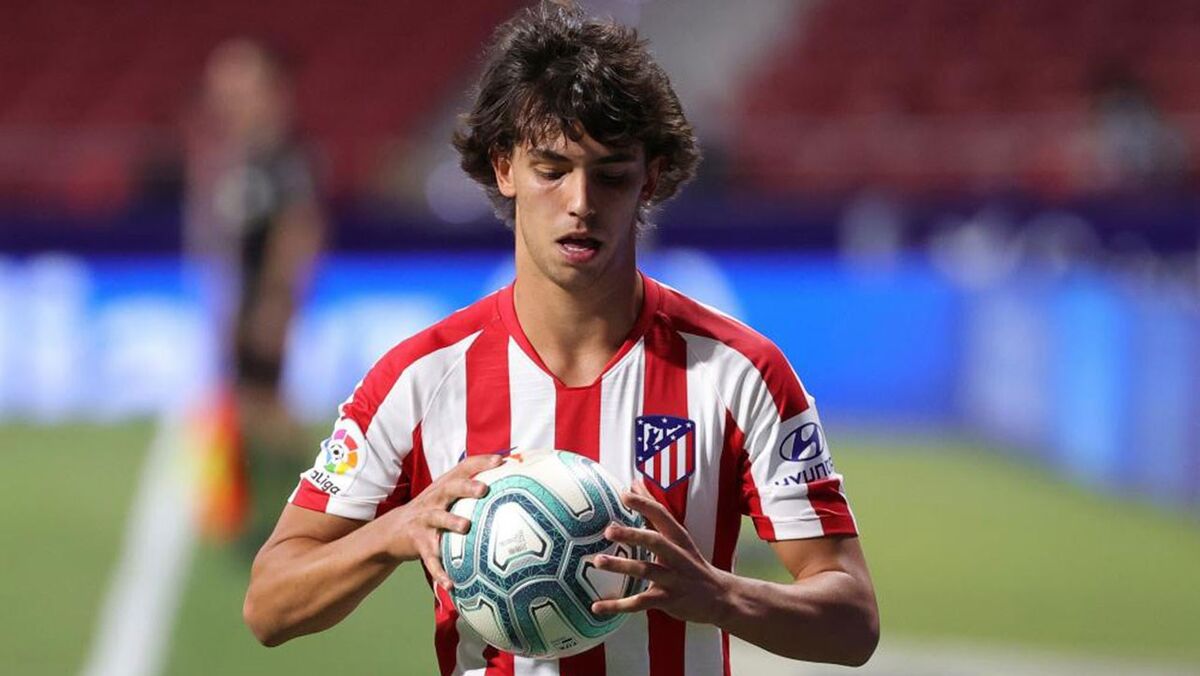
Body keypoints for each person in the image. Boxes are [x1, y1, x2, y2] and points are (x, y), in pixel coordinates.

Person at [243, 2, 879, 672]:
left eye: (611, 174)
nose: (581, 202)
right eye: (552, 169)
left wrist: (720, 595)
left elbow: (853, 622)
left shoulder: (739, 372)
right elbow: (269, 604)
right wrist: (391, 532)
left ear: (649, 179)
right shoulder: (421, 379)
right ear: (504, 168)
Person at [184, 38, 325, 541]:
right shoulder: (236, 155)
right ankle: (277, 509)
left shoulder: (283, 155)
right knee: (251, 402)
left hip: (267, 297)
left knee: (265, 405)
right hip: (243, 295)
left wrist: (277, 300)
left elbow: (299, 229)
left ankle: (314, 503)